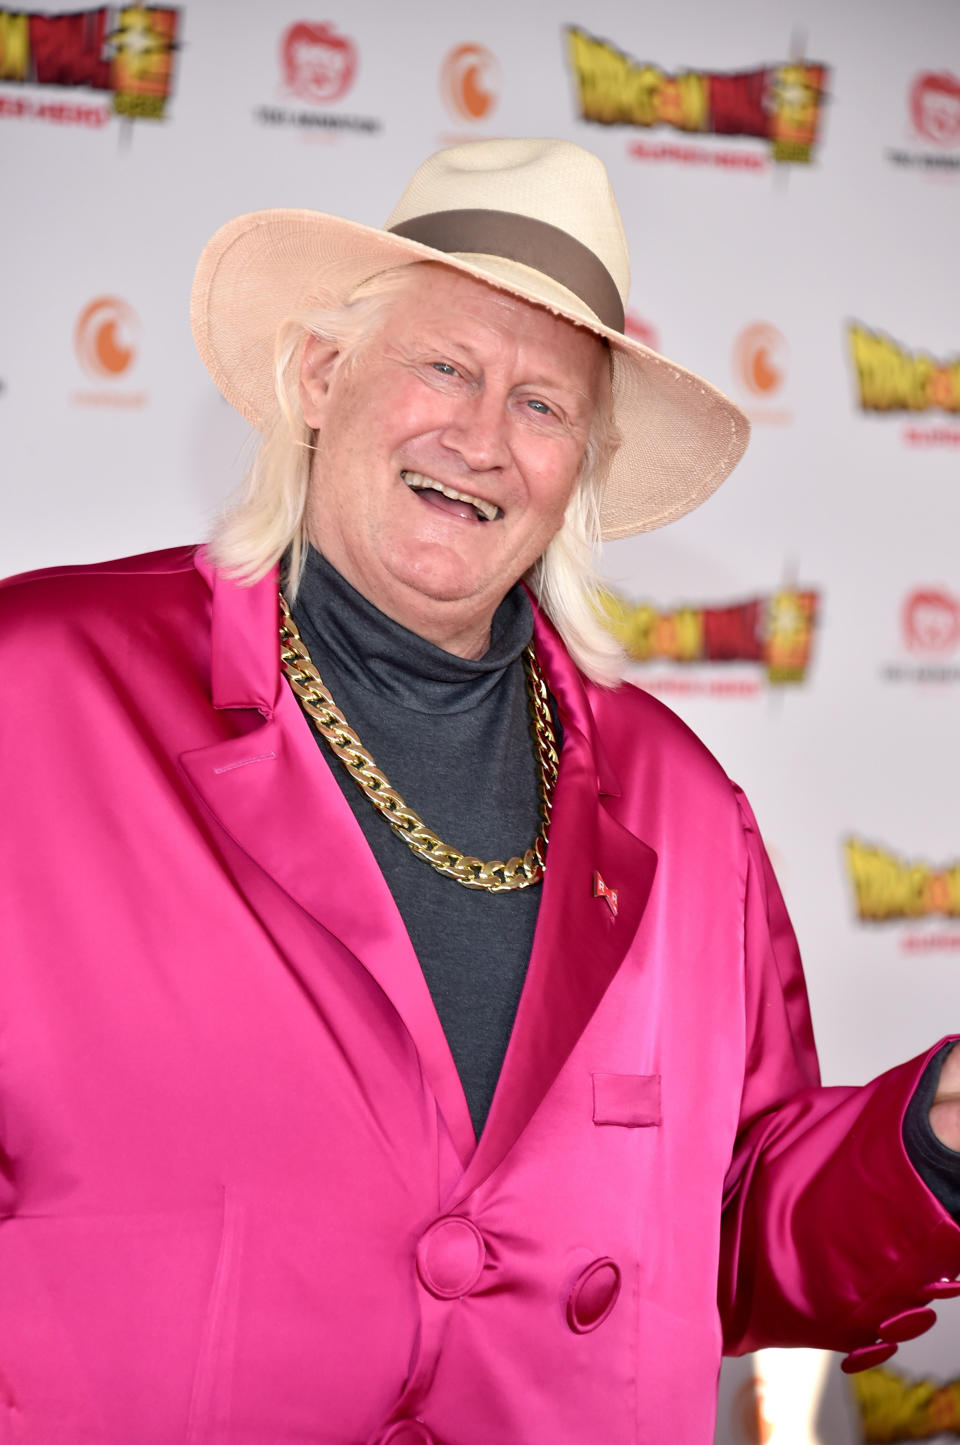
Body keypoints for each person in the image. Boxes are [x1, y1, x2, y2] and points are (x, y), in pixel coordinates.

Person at [1, 137, 959, 1445]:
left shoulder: (685, 808)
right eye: (445, 364)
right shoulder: (40, 688)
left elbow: (736, 1227)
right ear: (324, 376)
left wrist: (934, 1134)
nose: (482, 438)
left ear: (578, 473)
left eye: (543, 403)